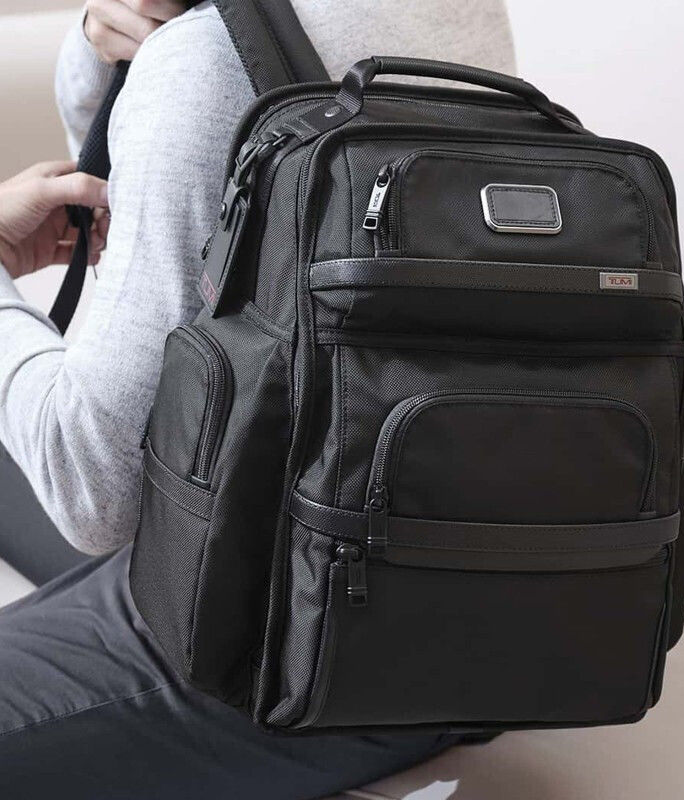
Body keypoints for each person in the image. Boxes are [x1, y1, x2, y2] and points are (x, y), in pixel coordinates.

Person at [0, 1, 515, 795]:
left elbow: (94, 496)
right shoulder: (459, 11)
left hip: (299, 650)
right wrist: (98, 52)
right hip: (477, 584)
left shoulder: (204, 64)